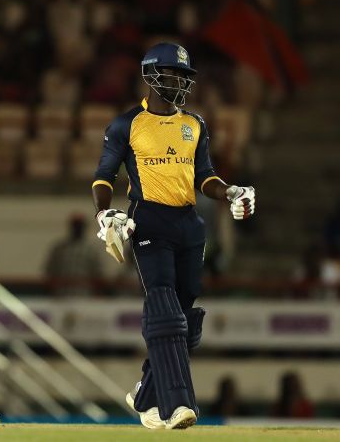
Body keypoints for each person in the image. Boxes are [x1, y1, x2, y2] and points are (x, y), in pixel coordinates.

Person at [92, 42, 256, 430]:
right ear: (150, 76)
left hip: (189, 224)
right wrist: (104, 212)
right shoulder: (126, 124)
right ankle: (178, 405)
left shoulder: (195, 124)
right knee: (164, 306)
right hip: (148, 220)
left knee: (184, 321)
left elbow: (206, 177)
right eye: (172, 74)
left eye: (184, 76)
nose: (180, 82)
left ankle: (145, 393)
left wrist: (230, 191)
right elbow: (103, 176)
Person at [43, 214, 110, 295]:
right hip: (61, 295)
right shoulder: (60, 248)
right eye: (75, 225)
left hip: (85, 295)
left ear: (84, 227)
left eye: (80, 225)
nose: (77, 228)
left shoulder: (92, 250)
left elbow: (99, 273)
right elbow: (50, 271)